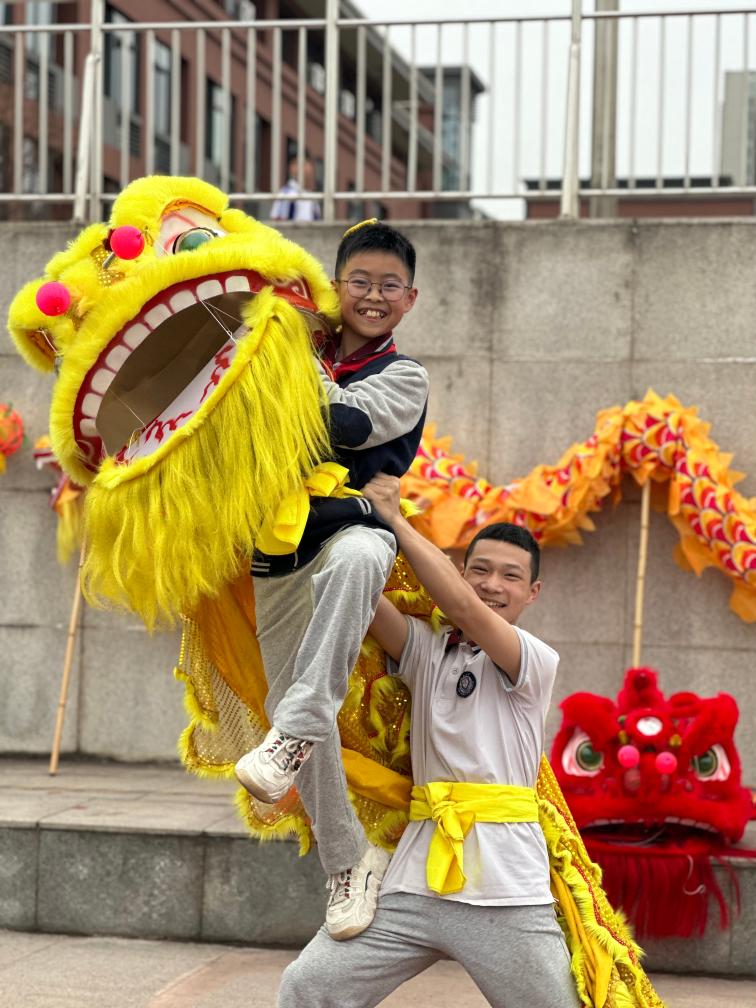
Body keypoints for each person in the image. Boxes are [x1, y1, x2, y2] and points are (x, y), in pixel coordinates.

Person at [276, 475, 581, 1008]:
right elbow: (362, 602)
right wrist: (336, 519)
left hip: (505, 889)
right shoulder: (428, 649)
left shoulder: (532, 659)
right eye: (480, 570)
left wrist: (396, 520)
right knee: (309, 987)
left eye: (511, 577)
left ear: (533, 593)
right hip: (412, 885)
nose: (492, 584)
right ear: (461, 570)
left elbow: (464, 609)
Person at [234, 221, 430, 941]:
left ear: (410, 299)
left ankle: (295, 730)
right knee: (287, 702)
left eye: (388, 286)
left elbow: (346, 426)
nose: (373, 296)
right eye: (360, 281)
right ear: (337, 283)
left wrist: (285, 363)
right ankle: (349, 861)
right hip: (276, 542)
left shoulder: (405, 375)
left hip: (354, 527)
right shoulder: (291, 342)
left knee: (356, 559)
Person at [270, 157, 321, 221]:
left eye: (306, 164)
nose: (306, 168)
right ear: (291, 168)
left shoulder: (312, 194)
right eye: (298, 164)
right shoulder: (286, 194)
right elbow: (278, 222)